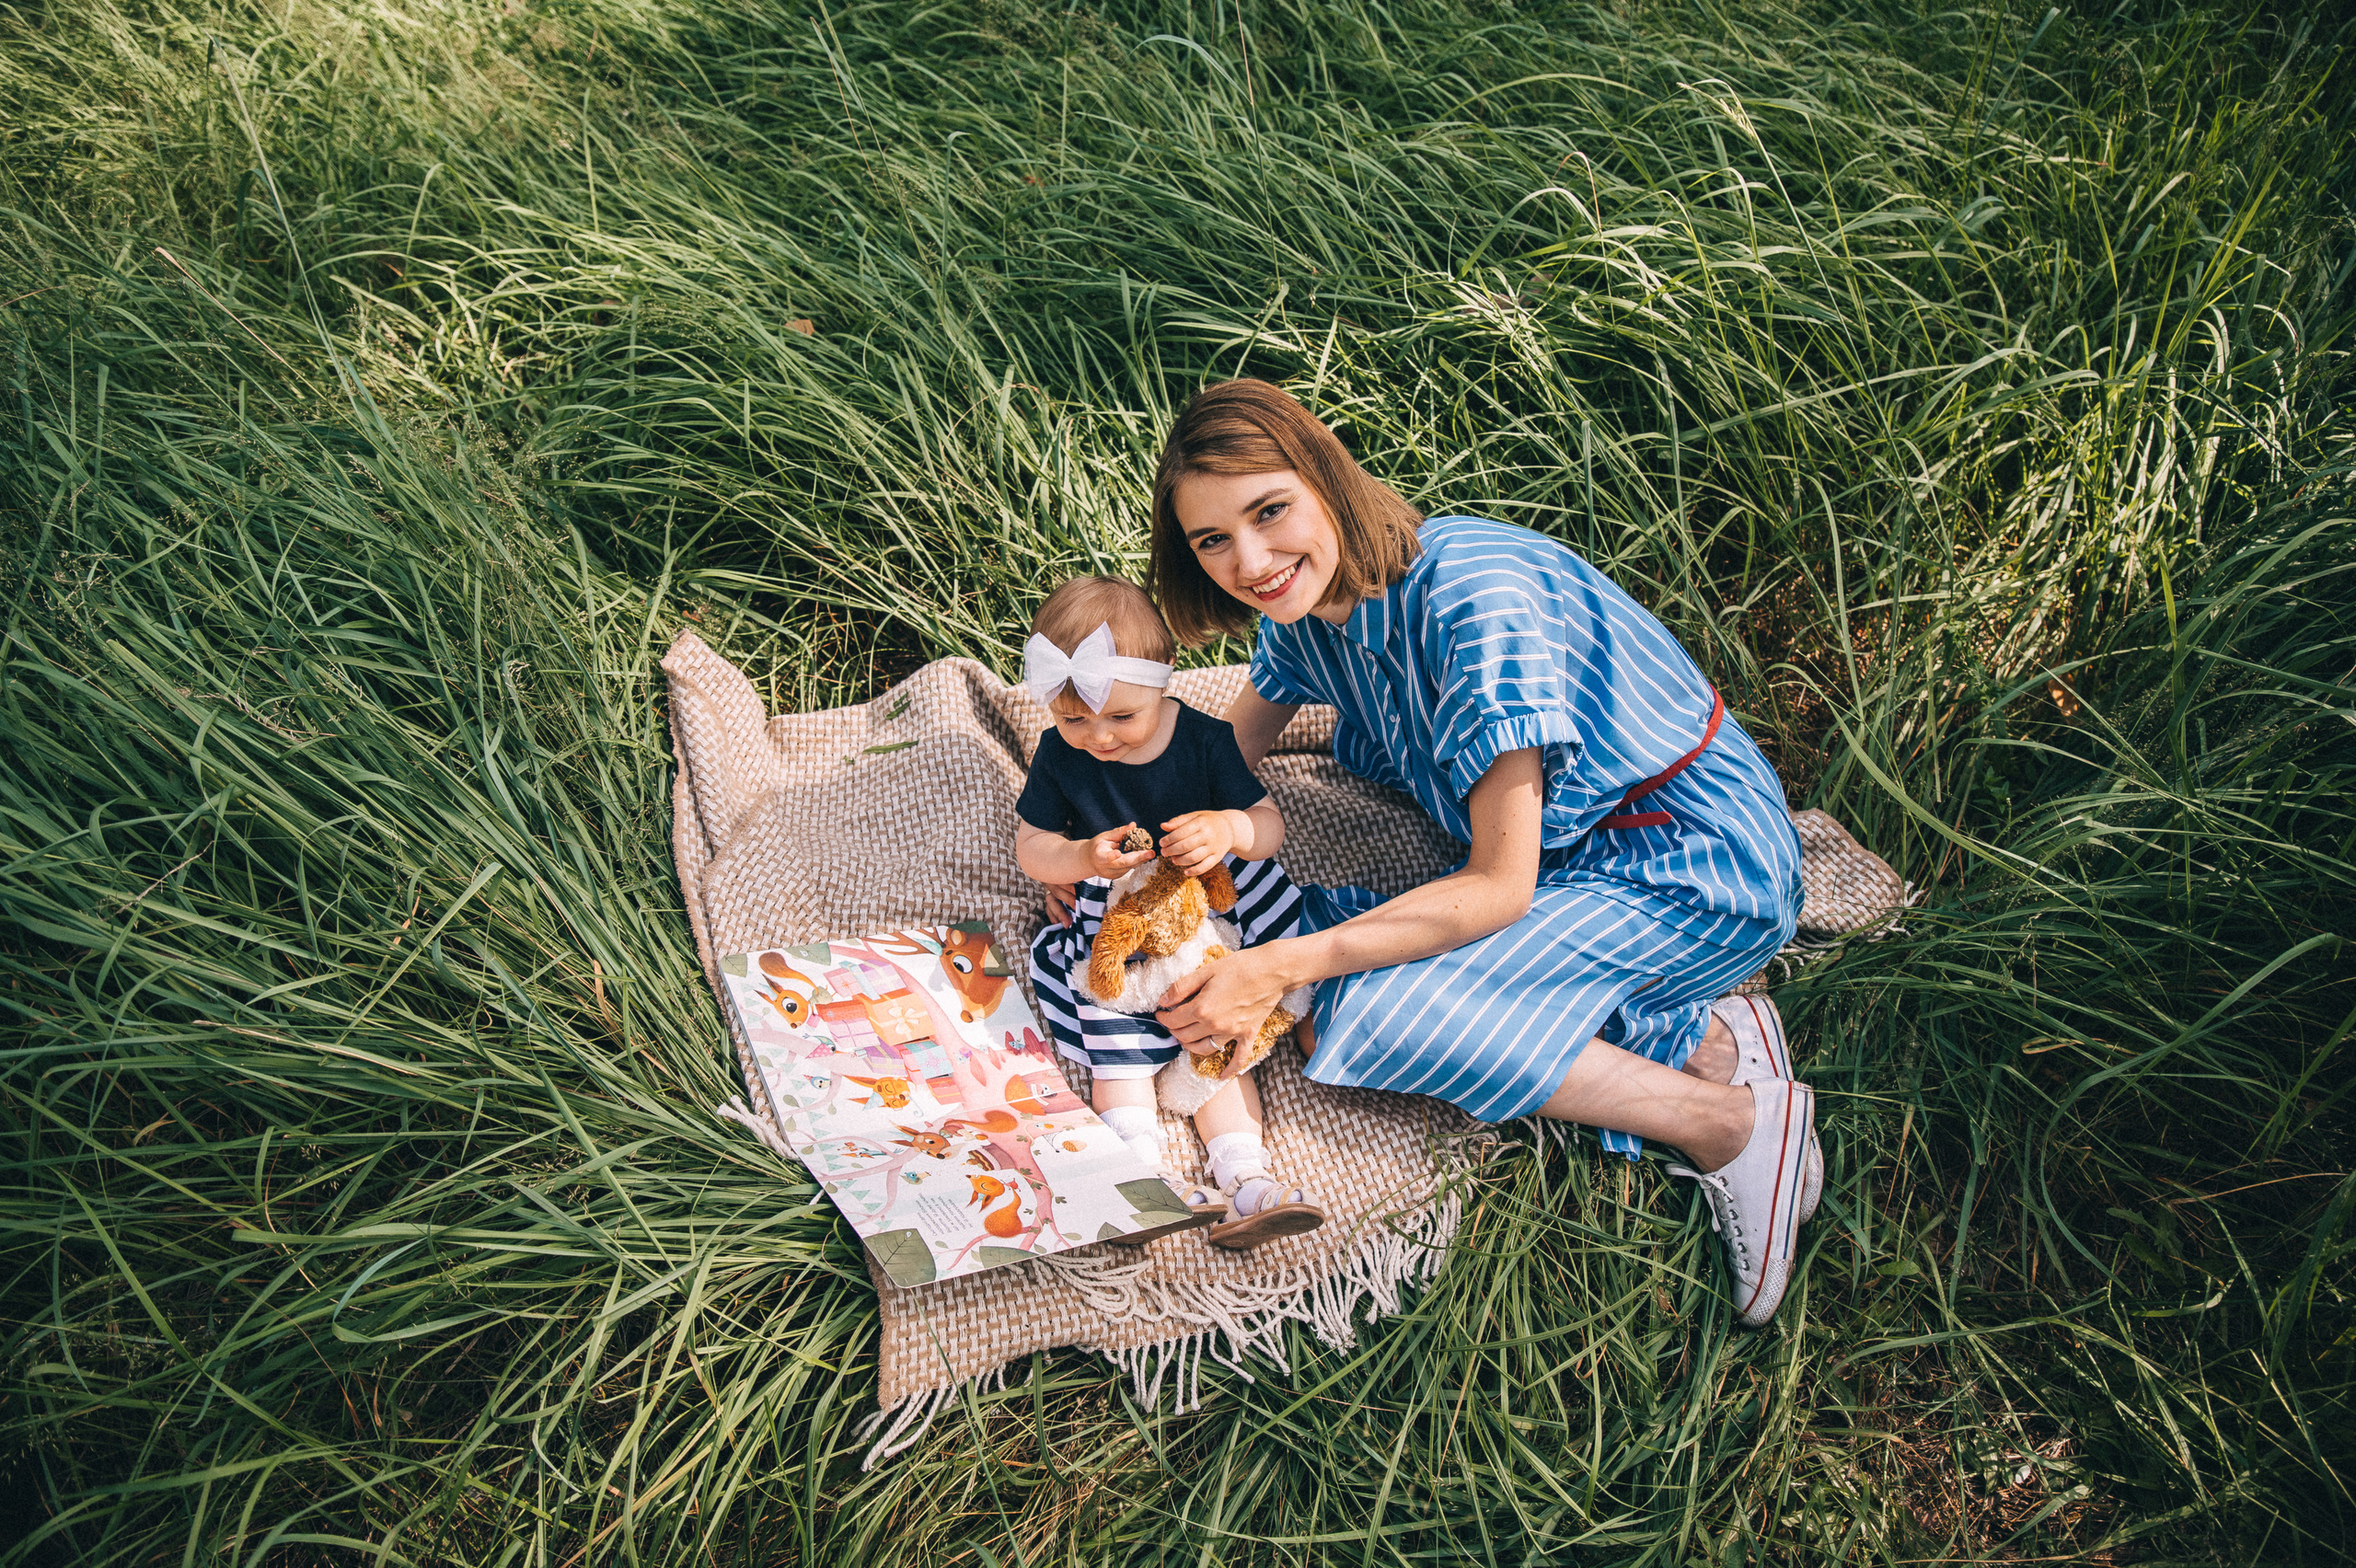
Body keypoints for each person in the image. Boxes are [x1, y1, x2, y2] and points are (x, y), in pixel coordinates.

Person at [1144, 380, 1819, 1325]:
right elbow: (1225, 760)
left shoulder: (1471, 598)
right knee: (1310, 967)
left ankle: (1730, 1123)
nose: (1250, 563)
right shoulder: (1307, 613)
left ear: (1325, 478)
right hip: (1575, 859)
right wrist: (1123, 855)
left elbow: (1499, 887)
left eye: (1269, 512)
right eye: (1212, 540)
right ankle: (1711, 1041)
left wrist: (1277, 967)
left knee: (1362, 1011)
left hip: (1689, 860)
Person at [1013, 576, 1328, 1250]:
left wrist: (1228, 828)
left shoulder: (1205, 741)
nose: (1099, 737)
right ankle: (1138, 1180)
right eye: (1074, 720)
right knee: (1118, 1046)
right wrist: (1078, 858)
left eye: (1122, 718)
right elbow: (1032, 846)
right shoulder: (1058, 755)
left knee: (1216, 1043)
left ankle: (1248, 1181)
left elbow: (1268, 826)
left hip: (1207, 911)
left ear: (1164, 680)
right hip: (1119, 919)